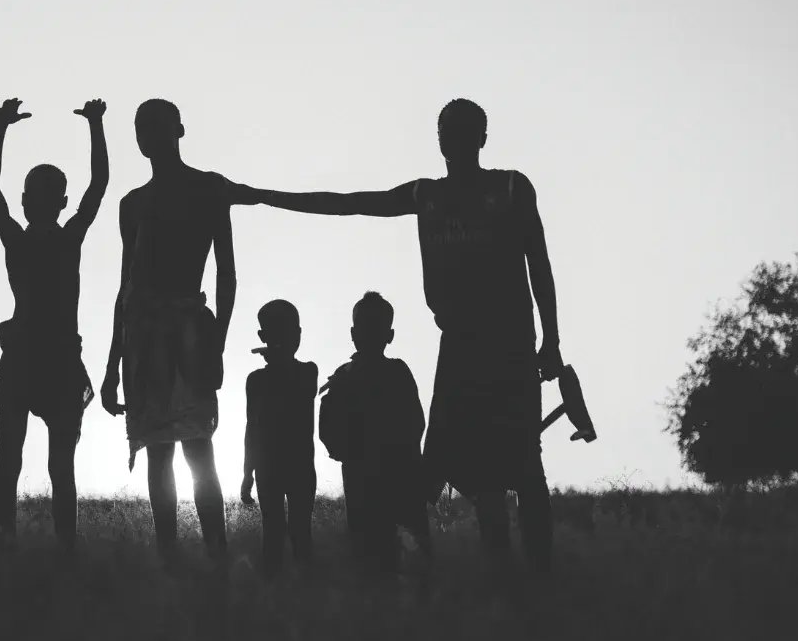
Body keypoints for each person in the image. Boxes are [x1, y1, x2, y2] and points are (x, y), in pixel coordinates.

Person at [234, 98, 563, 575]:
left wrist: (550, 340)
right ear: (441, 139)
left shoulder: (510, 188)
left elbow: (540, 264)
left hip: (509, 345)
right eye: (447, 129)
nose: (452, 138)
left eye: (459, 130)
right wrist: (271, 197)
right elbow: (350, 205)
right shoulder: (425, 196)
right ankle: (504, 574)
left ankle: (537, 574)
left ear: (479, 139)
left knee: (525, 465)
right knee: (484, 472)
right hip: (461, 348)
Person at [101, 98, 238, 561]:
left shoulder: (208, 189)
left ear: (179, 129)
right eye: (141, 128)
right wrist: (111, 362)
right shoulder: (132, 204)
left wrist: (217, 341)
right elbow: (126, 286)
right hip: (145, 340)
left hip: (190, 335)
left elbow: (226, 272)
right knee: (159, 453)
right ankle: (169, 559)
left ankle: (217, 553)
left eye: (156, 126)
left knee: (198, 448)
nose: (148, 136)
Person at [0, 97, 108, 551]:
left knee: (13, 458)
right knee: (55, 466)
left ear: (29, 201)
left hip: (35, 359)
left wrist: (0, 128)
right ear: (62, 202)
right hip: (48, 359)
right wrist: (95, 126)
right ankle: (62, 548)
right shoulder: (66, 238)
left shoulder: (21, 239)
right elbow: (99, 187)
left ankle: (15, 541)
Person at [318, 292, 432, 575]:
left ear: (353, 334)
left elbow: (328, 431)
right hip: (399, 474)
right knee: (407, 553)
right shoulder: (396, 371)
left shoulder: (344, 376)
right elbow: (417, 422)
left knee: (369, 553)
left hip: (365, 477)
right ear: (390, 335)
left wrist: (345, 450)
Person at [239, 299, 318, 577]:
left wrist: (249, 472)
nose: (287, 338)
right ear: (264, 337)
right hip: (272, 467)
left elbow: (297, 392)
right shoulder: (256, 380)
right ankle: (277, 590)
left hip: (294, 466)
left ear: (298, 334)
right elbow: (252, 427)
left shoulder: (309, 371)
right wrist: (247, 473)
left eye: (289, 332)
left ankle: (298, 587)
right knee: (273, 531)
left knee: (299, 531)